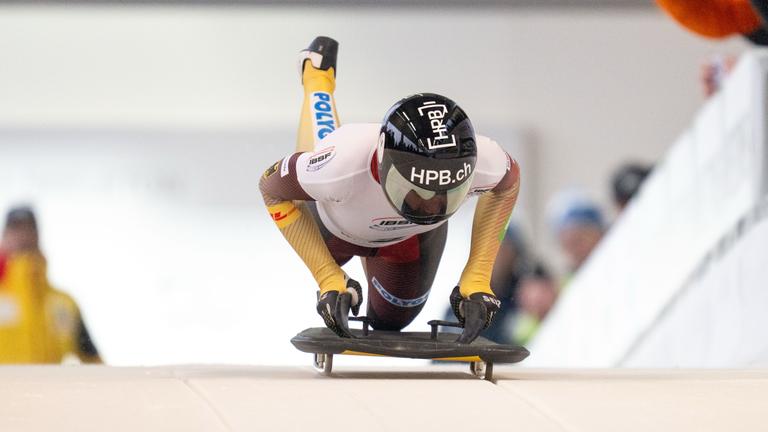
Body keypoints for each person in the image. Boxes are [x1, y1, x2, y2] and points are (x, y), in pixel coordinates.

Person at [259, 37, 521, 343]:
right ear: (383, 168)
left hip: (400, 237)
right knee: (323, 148)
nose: (429, 207)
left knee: (390, 323)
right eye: (416, 192)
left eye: (446, 193)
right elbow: (272, 189)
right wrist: (327, 277)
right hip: (332, 221)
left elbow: (507, 186)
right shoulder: (341, 163)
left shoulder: (485, 160)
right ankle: (317, 76)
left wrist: (477, 277)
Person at [0, 206, 101, 364]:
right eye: (16, 229)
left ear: (38, 235)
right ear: (4, 238)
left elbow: (95, 363)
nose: (23, 236)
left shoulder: (65, 304)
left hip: (48, 388)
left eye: (29, 229)